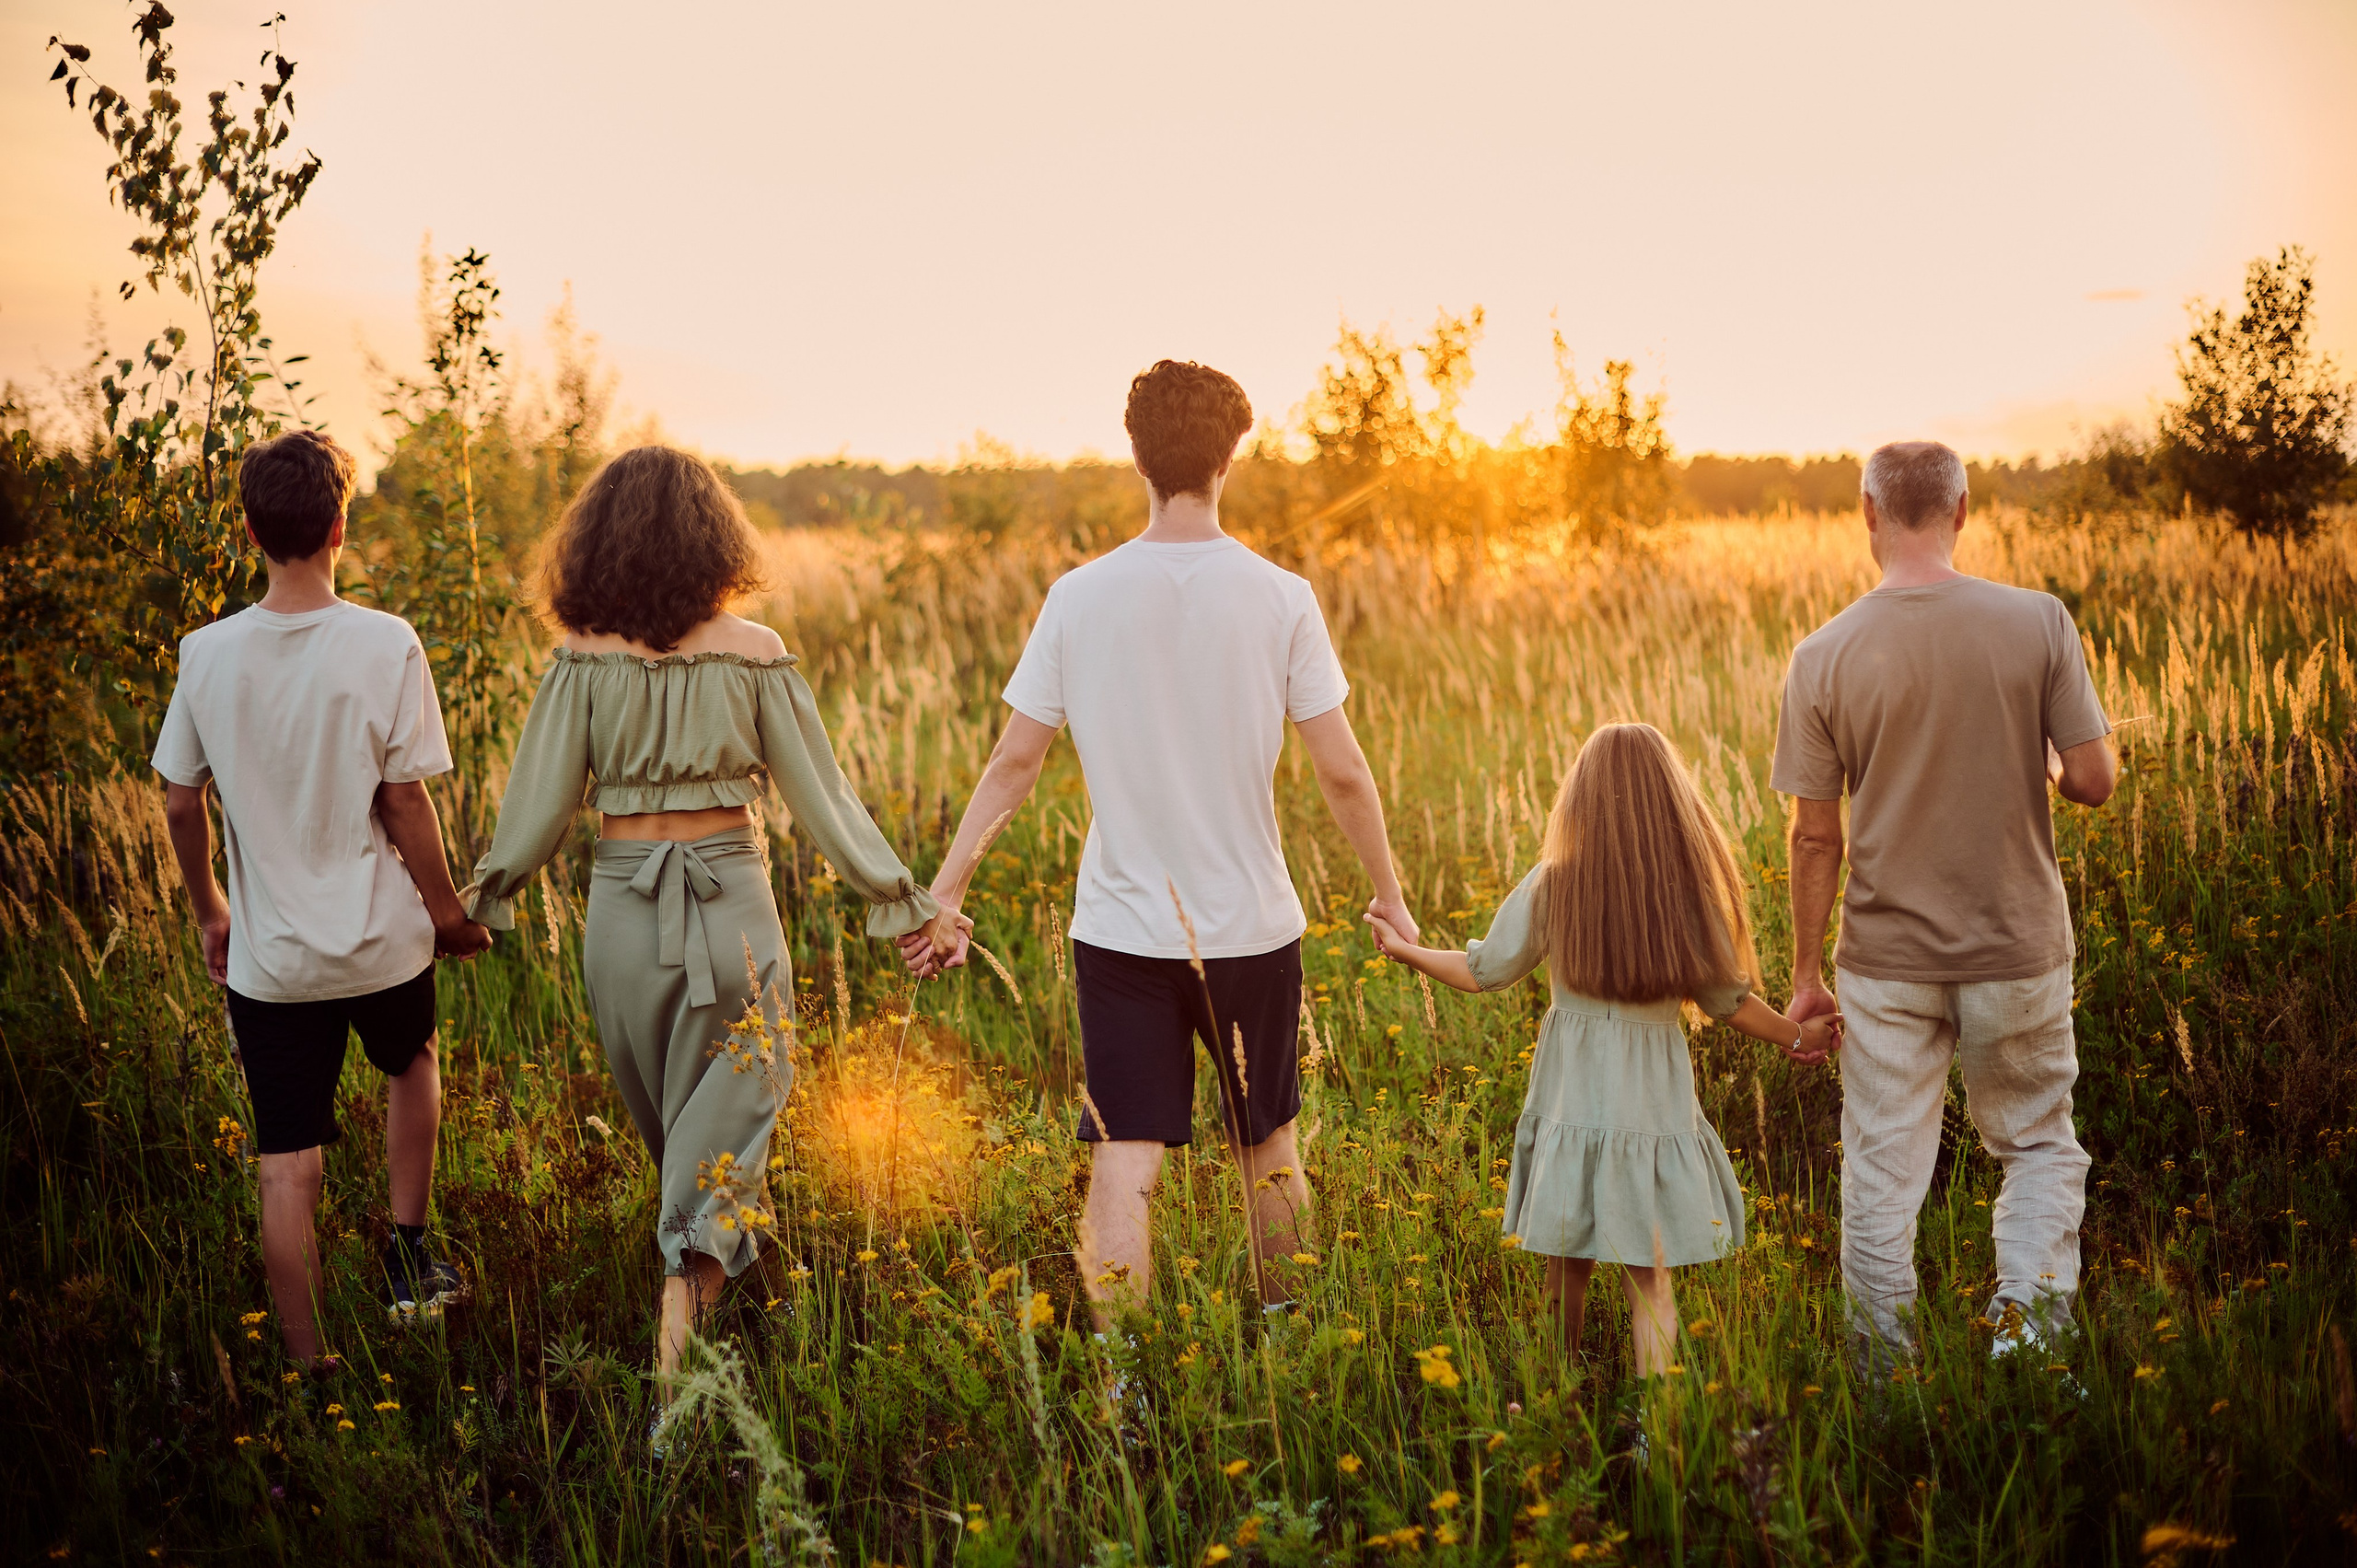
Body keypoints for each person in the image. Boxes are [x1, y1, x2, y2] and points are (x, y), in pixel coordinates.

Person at [901, 359, 1417, 1321]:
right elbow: (1342, 770)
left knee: (1122, 1152)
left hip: (1123, 933)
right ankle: (1289, 1348)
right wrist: (1388, 891)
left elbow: (1014, 765)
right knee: (1268, 1150)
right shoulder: (1282, 597)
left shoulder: (1077, 596)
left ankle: (1125, 1385)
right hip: (1251, 931)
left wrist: (945, 888)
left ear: (1135, 455)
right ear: (1232, 457)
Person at [462, 446, 935, 1411]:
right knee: (712, 1150)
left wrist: (479, 901)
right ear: (714, 535)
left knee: (683, 1144)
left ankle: (683, 1359)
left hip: (623, 920)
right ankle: (677, 1401)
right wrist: (901, 900)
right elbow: (825, 800)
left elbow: (538, 808)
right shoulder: (754, 650)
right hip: (731, 906)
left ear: (592, 543)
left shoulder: (578, 661)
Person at [1773, 440, 2117, 1371]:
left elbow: (1814, 836)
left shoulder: (1821, 654)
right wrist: (2043, 759)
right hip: (2017, 947)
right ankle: (2024, 1343)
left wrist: (1804, 977)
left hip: (1883, 964)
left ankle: (1885, 1384)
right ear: (1962, 510)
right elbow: (2093, 779)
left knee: (1883, 1176)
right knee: (2039, 1144)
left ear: (1867, 515)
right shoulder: (2038, 621)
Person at [153, 430, 493, 1367]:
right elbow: (403, 796)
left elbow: (182, 800)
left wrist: (211, 910)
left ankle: (309, 1364)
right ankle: (408, 1252)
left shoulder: (206, 653)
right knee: (411, 1064)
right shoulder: (385, 642)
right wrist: (448, 914)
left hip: (273, 962)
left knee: (286, 1158)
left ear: (250, 530)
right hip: (383, 943)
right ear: (341, 522)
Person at [1367, 723, 1838, 1380]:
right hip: (1651, 1110)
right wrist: (1800, 1035)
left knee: (1566, 1267)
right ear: (1669, 801)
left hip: (1573, 1105)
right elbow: (1729, 1001)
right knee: (1651, 1280)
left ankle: (1557, 1401)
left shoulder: (1554, 883)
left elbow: (1484, 970)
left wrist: (1406, 947)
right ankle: (1658, 1427)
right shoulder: (1684, 895)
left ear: (1580, 800)